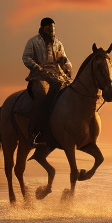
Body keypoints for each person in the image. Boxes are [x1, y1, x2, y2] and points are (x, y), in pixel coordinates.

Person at [23, 17, 73, 146]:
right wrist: (37, 67)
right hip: (39, 76)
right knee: (41, 96)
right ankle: (34, 131)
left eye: (53, 29)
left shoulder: (58, 43)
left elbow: (66, 60)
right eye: (49, 29)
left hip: (57, 75)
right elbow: (26, 58)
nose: (51, 31)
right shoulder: (33, 42)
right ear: (42, 28)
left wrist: (66, 65)